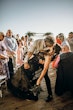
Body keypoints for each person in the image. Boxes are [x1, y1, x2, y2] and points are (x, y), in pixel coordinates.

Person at [24, 36, 55, 102]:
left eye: (51, 46)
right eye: (49, 46)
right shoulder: (37, 42)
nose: (50, 47)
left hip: (45, 61)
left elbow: (46, 67)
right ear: (45, 42)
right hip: (36, 60)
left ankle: (50, 95)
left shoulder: (52, 48)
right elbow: (30, 53)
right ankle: (35, 95)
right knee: (34, 76)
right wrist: (25, 62)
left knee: (46, 77)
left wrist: (39, 80)